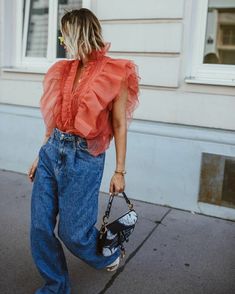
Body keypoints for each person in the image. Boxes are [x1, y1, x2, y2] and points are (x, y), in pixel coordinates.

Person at [27, 8, 140, 294]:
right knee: (40, 227)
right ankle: (55, 286)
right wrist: (39, 155)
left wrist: (119, 171)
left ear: (77, 33)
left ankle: (109, 254)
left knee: (73, 234)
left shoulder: (116, 71)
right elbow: (54, 119)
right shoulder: (63, 69)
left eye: (64, 34)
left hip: (84, 158)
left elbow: (119, 124)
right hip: (53, 151)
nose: (62, 40)